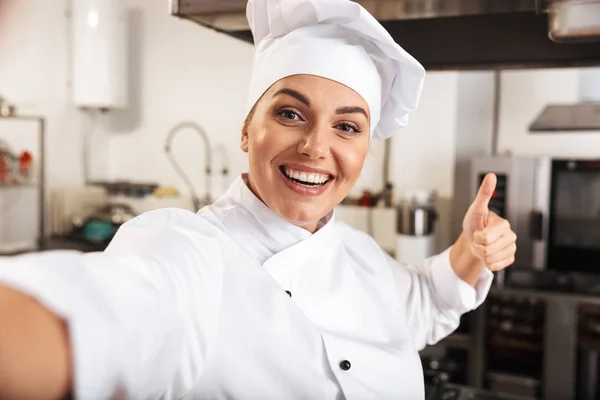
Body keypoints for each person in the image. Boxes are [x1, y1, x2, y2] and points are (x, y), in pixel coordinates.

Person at [0, 0, 517, 399]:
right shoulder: (187, 251)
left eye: (347, 126)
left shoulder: (361, 258)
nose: (317, 147)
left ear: (364, 149)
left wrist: (472, 248)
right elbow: (110, 315)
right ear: (248, 129)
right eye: (291, 114)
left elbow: (425, 299)